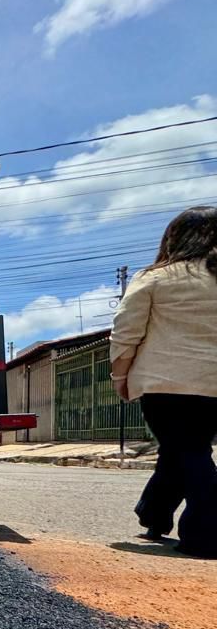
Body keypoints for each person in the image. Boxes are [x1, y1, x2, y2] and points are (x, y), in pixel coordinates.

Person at [110, 205, 217, 558]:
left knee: (188, 451)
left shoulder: (157, 278)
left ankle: (206, 533)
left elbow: (126, 334)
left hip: (165, 385)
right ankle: (153, 513)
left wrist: (120, 377)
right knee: (183, 449)